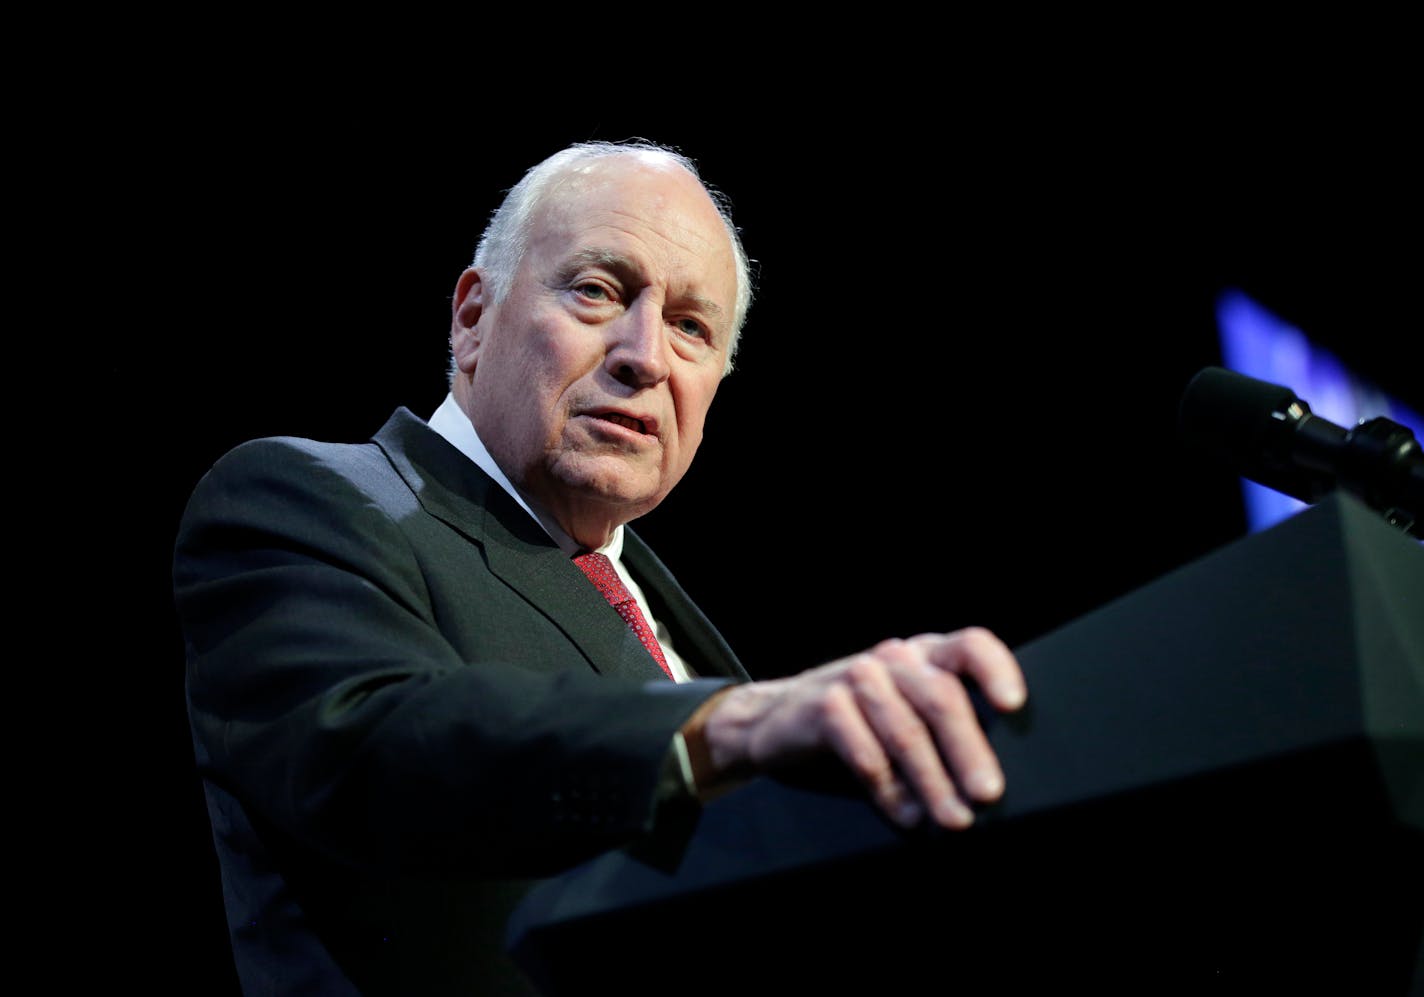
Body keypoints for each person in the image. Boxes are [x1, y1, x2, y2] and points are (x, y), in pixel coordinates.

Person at [173, 139, 1029, 995]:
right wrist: (726, 727)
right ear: (473, 317)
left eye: (692, 328)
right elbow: (370, 746)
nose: (645, 355)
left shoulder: (653, 603)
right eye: (597, 291)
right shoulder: (309, 498)